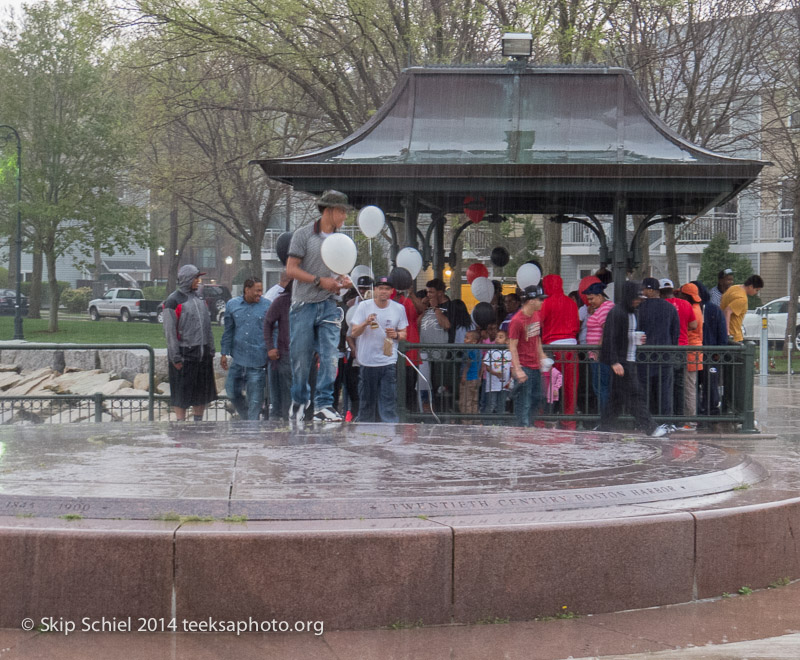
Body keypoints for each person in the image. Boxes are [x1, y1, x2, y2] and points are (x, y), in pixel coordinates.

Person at [285, 190, 353, 423]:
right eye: (342, 211)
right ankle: (300, 401)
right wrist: (318, 280)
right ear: (329, 210)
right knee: (301, 358)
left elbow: (341, 271)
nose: (345, 216)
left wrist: (344, 282)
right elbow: (291, 269)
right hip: (303, 304)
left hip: (330, 304)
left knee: (330, 356)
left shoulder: (341, 241)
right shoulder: (303, 235)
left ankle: (324, 404)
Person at [597, 280, 668, 437]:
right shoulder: (617, 313)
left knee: (617, 399)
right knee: (635, 395)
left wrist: (636, 339)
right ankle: (650, 427)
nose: (638, 301)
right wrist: (614, 361)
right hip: (623, 362)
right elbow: (609, 338)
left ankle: (605, 426)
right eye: (636, 298)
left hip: (628, 360)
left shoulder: (632, 313)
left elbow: (623, 335)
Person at [162, 264, 217, 421]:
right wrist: (175, 357)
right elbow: (170, 332)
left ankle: (198, 422)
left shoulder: (200, 299)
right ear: (187, 279)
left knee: (201, 393)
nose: (198, 281)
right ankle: (180, 423)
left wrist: (211, 349)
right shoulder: (173, 301)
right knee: (181, 393)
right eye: (196, 278)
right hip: (185, 354)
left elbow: (208, 327)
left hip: (203, 353)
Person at [350, 276, 408, 422]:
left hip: (388, 360)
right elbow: (354, 332)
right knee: (366, 403)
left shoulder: (399, 309)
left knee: (388, 401)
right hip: (367, 361)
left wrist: (396, 334)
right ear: (375, 290)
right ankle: (364, 433)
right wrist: (366, 323)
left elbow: (404, 333)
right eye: (381, 288)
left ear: (392, 291)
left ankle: (390, 433)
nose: (384, 291)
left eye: (387, 289)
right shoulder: (364, 306)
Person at [220, 278, 270, 420]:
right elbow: (228, 330)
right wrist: (224, 352)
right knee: (231, 391)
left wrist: (271, 349)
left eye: (261, 290)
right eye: (257, 290)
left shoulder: (267, 306)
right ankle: (246, 417)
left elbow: (274, 330)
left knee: (255, 399)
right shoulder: (232, 305)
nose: (260, 294)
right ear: (247, 290)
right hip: (238, 358)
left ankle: (252, 426)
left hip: (258, 360)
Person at [540, 274, 580, 429]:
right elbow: (576, 325)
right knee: (571, 387)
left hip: (552, 348)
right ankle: (569, 421)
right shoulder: (571, 303)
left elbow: (540, 323)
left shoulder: (546, 303)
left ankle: (541, 419)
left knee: (546, 384)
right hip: (572, 347)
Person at [637, 277, 679, 418]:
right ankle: (666, 419)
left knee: (644, 390)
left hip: (644, 356)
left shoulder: (639, 308)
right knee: (664, 390)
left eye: (643, 289)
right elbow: (675, 333)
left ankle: (645, 420)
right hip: (665, 355)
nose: (642, 291)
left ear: (650, 290)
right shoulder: (670, 308)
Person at [508, 285, 549, 427]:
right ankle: (523, 428)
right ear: (531, 301)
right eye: (540, 299)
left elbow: (536, 337)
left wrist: (542, 354)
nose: (542, 302)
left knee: (538, 398)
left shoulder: (536, 315)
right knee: (524, 402)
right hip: (524, 366)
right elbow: (512, 346)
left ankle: (528, 426)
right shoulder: (517, 321)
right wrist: (517, 369)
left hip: (535, 365)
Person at [661, 278, 697, 417]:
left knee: (664, 381)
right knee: (679, 383)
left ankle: (665, 414)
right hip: (681, 346)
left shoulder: (661, 305)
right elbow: (694, 325)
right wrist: (682, 327)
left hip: (664, 348)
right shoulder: (686, 304)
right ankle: (679, 415)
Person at [692, 280, 727, 424]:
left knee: (704, 382)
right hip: (704, 354)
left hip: (707, 354)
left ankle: (707, 410)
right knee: (706, 382)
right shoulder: (713, 309)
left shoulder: (713, 310)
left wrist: (719, 350)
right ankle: (708, 410)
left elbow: (722, 332)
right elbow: (722, 333)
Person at [582, 281, 615, 416]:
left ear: (600, 296)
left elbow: (607, 331)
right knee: (600, 387)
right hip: (596, 354)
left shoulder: (605, 309)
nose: (590, 302)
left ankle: (604, 418)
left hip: (599, 355)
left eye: (592, 298)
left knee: (601, 387)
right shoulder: (603, 308)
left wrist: (598, 350)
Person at [264, 279, 293, 420]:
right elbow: (267, 323)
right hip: (285, 354)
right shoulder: (282, 301)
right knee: (284, 396)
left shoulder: (309, 304)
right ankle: (284, 427)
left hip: (304, 354)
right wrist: (270, 347)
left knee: (302, 395)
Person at [677, 283, 704, 428]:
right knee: (690, 385)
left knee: (689, 387)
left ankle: (690, 421)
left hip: (691, 351)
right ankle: (690, 419)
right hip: (695, 350)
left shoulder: (692, 310)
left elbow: (689, 327)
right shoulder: (697, 308)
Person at [721, 274, 764, 342]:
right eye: (756, 290)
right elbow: (727, 311)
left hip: (721, 332)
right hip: (734, 335)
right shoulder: (742, 299)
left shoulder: (734, 288)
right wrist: (727, 332)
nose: (756, 293)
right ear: (751, 286)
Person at [480, 328, 512, 422]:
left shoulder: (509, 353)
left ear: (506, 341)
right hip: (492, 385)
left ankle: (499, 424)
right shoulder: (491, 352)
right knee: (491, 404)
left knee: (501, 405)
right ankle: (487, 423)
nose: (497, 339)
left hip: (504, 384)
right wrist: (495, 373)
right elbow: (487, 366)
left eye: (501, 337)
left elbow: (512, 367)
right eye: (497, 337)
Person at [459, 329, 482, 421]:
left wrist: (464, 375)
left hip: (468, 378)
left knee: (465, 401)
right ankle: (475, 420)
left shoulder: (468, 350)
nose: (465, 340)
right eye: (465, 337)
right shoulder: (478, 351)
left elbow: (467, 363)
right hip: (476, 378)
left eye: (467, 338)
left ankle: (466, 421)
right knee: (474, 401)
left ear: (474, 341)